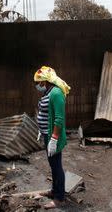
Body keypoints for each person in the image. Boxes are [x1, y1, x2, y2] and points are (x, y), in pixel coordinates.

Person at [34, 66, 70, 209]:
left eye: (38, 83)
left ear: (45, 82)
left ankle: (59, 198)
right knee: (52, 165)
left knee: (56, 166)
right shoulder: (48, 92)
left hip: (53, 137)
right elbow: (46, 113)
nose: (37, 86)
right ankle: (54, 191)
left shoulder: (56, 93)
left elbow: (59, 119)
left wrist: (54, 139)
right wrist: (41, 129)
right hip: (46, 134)